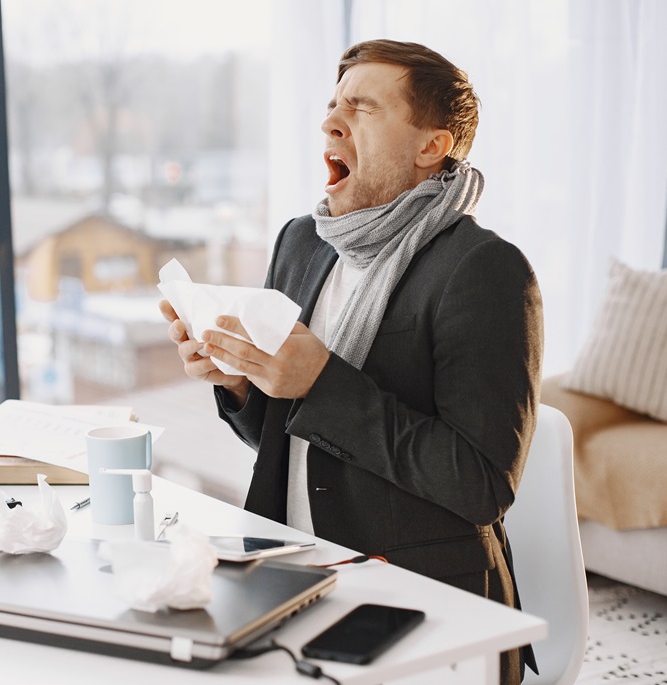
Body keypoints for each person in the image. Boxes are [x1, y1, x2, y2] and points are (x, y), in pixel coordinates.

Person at [160, 39, 542, 684]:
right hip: (294, 568)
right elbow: (287, 439)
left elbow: (480, 484)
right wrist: (243, 386)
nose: (330, 122)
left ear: (431, 147)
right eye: (333, 104)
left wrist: (319, 383)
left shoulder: (484, 270)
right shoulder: (303, 241)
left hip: (422, 599)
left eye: (361, 108)